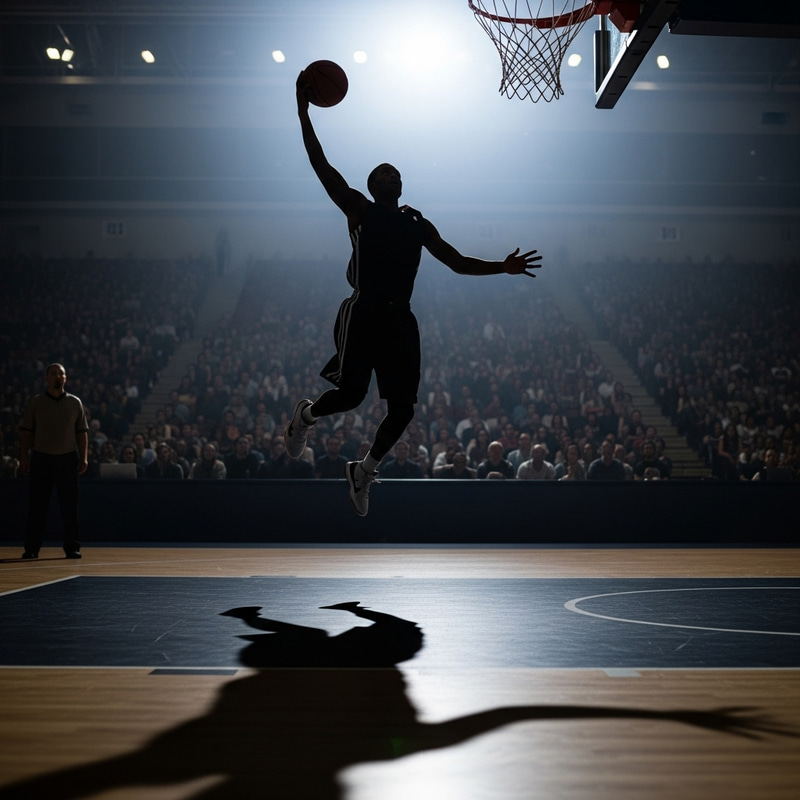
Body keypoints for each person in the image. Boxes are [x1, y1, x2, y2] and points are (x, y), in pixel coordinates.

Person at [284, 71, 543, 516]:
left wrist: (502, 266)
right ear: (371, 185)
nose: (392, 174)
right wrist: (303, 113)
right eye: (384, 172)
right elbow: (321, 165)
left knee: (403, 410)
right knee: (351, 397)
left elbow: (457, 262)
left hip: (401, 318)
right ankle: (305, 416)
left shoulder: (417, 223)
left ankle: (364, 470)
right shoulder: (359, 210)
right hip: (363, 308)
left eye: (396, 172)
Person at [18, 363, 88, 559]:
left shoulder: (75, 403)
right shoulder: (36, 402)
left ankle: (72, 547)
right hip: (41, 457)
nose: (58, 376)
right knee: (37, 506)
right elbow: (26, 433)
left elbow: (82, 433)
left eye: (61, 374)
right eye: (54, 373)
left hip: (67, 458)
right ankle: (32, 548)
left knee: (70, 506)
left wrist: (83, 457)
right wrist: (24, 457)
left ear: (65, 379)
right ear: (46, 378)